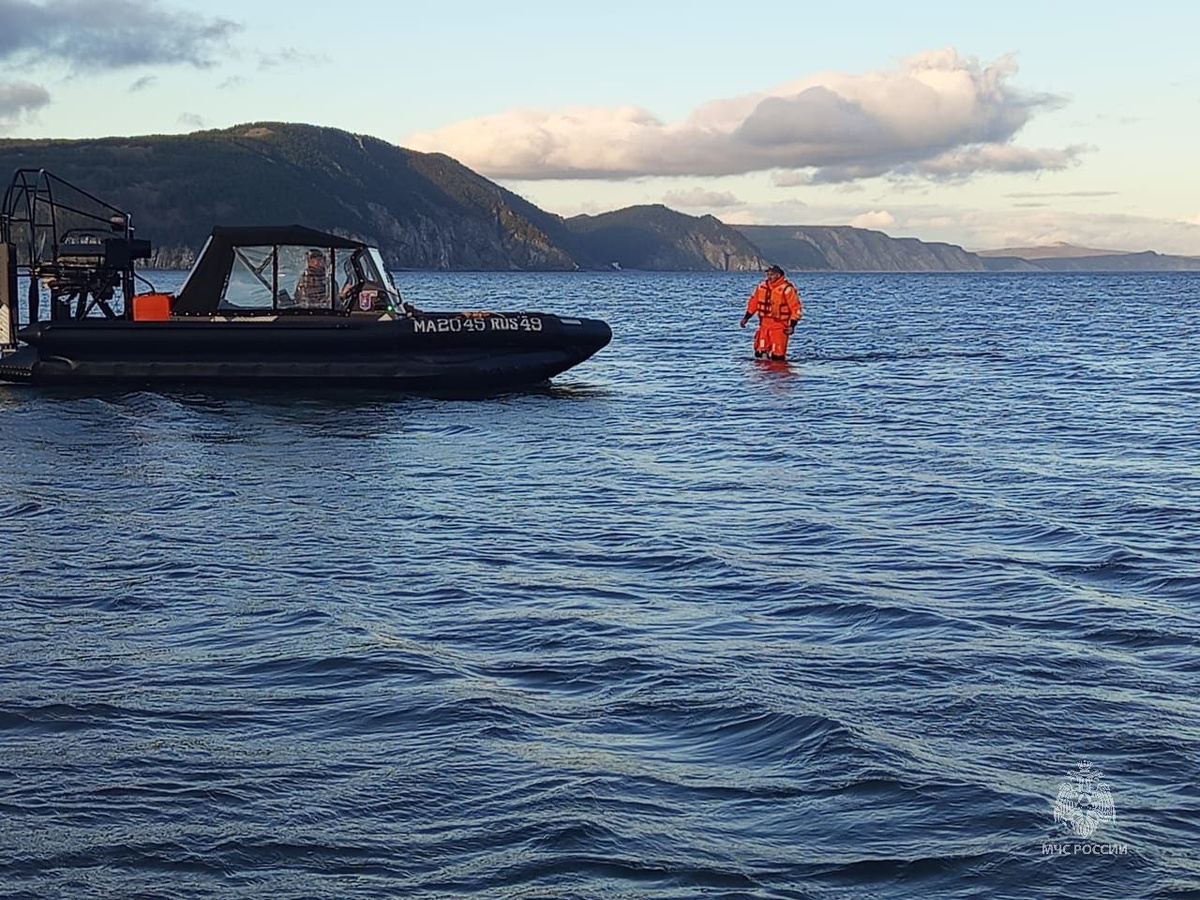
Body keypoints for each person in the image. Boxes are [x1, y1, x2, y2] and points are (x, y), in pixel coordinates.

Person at [740, 264, 802, 361]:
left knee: (778, 357)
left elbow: (795, 308)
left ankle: (778, 370)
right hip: (764, 326)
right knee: (760, 354)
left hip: (779, 326)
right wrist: (746, 318)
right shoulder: (761, 287)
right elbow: (753, 303)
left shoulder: (787, 289)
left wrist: (792, 325)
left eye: (771, 275)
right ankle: (762, 370)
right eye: (768, 274)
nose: (769, 277)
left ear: (778, 275)